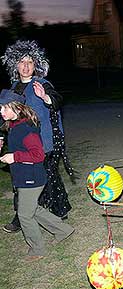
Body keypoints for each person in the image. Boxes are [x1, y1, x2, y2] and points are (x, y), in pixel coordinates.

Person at [1, 40, 74, 233]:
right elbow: (6, 114)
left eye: (30, 62)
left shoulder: (43, 84)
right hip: (21, 143)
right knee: (21, 179)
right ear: (15, 65)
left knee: (49, 177)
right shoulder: (14, 87)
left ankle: (59, 211)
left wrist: (45, 97)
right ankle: (21, 215)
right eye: (21, 62)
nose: (25, 66)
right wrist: (1, 136)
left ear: (36, 65)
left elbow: (57, 101)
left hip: (44, 141)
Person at [0, 98, 74, 262]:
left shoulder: (26, 130)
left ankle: (37, 249)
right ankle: (63, 230)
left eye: (4, 108)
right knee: (33, 209)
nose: (1, 112)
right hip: (24, 176)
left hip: (32, 178)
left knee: (24, 215)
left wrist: (15, 156)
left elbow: (38, 155)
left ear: (17, 108)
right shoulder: (13, 125)